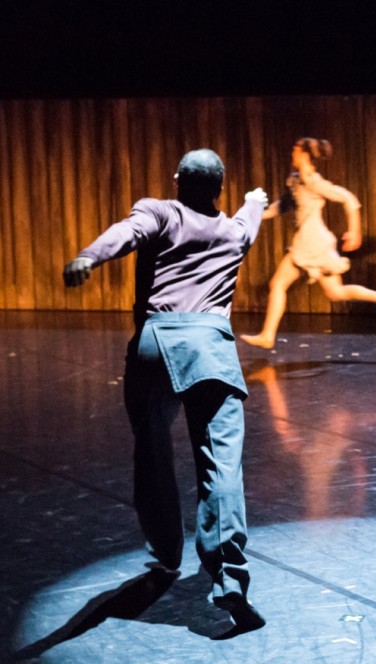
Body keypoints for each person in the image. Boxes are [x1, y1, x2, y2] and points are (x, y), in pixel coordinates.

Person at [63, 149, 268, 633]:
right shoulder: (234, 232)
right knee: (221, 464)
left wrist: (88, 256)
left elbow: (126, 234)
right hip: (210, 351)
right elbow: (249, 217)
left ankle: (165, 556)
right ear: (219, 189)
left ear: (177, 180)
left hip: (157, 345)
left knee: (152, 453)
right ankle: (230, 579)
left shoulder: (160, 210)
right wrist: (255, 199)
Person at [241, 138, 376, 349]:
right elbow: (280, 207)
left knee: (278, 284)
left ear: (305, 155)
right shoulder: (295, 179)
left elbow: (348, 198)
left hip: (310, 242)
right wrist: (252, 215)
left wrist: (354, 231)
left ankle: (267, 335)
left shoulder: (312, 181)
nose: (292, 154)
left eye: (295, 150)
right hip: (316, 242)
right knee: (336, 293)